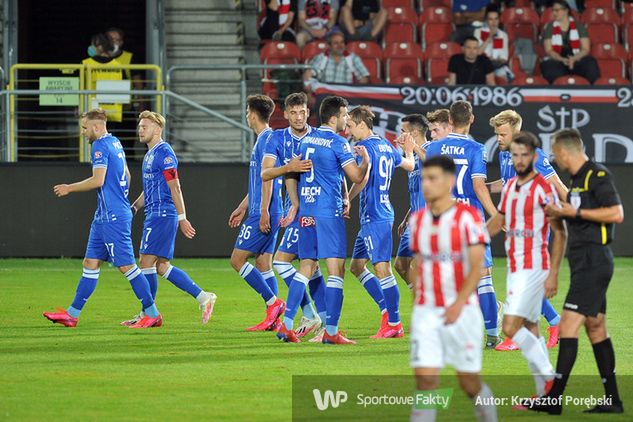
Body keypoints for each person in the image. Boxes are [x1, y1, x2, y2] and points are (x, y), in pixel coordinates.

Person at [525, 128, 624, 415]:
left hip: (594, 261)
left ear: (566, 152)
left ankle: (553, 399)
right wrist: (560, 211)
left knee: (568, 326)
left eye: (556, 156)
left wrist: (573, 213)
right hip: (584, 261)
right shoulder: (577, 180)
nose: (556, 161)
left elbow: (616, 213)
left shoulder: (598, 175)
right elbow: (577, 213)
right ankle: (613, 401)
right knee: (596, 328)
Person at [43, 109, 161, 329]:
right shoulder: (115, 142)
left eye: (85, 128)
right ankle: (72, 314)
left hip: (112, 217)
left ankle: (152, 313)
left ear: (96, 127)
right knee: (90, 263)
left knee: (127, 266)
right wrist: (120, 198)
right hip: (104, 216)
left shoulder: (99, 145)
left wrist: (69, 188)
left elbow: (98, 180)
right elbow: (126, 174)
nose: (83, 133)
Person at [409, 155, 497, 422]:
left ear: (449, 181)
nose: (426, 184)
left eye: (432, 178)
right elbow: (419, 266)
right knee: (426, 380)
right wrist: (417, 308)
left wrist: (458, 304)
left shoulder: (468, 217)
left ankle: (488, 412)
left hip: (462, 312)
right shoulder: (418, 220)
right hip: (427, 312)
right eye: (423, 178)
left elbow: (476, 266)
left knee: (468, 383)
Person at [276, 95, 369, 344]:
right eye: (345, 114)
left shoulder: (305, 140)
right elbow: (357, 177)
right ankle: (331, 332)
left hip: (307, 212)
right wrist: (366, 161)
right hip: (328, 214)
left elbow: (290, 175)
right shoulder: (338, 143)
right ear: (333, 117)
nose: (347, 119)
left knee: (306, 266)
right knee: (336, 271)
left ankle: (286, 325)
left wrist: (296, 204)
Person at [118, 111, 217, 327]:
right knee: (161, 266)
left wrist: (183, 217)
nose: (140, 130)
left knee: (145, 261)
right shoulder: (150, 154)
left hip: (163, 213)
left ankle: (149, 314)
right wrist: (135, 206)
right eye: (140, 126)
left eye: (145, 126)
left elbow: (175, 186)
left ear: (157, 128)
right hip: (153, 213)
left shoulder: (165, 153)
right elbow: (149, 188)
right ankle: (203, 297)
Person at [486, 132, 567, 397]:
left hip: (535, 263)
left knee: (511, 326)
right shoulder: (510, 187)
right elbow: (498, 221)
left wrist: (553, 273)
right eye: (515, 155)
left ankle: (550, 380)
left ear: (533, 157)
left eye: (524, 155)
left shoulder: (542, 189)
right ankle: (544, 391)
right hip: (516, 261)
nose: (519, 160)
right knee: (532, 328)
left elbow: (560, 231)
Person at [425, 101, 502, 348]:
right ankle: (491, 334)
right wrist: (496, 214)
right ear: (471, 119)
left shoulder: (434, 147)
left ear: (449, 121)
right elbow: (479, 186)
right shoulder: (476, 148)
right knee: (483, 276)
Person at [347, 106, 415, 339]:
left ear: (362, 125)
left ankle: (394, 322)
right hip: (380, 213)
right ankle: (387, 310)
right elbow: (410, 165)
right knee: (356, 266)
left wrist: (347, 197)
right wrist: (409, 151)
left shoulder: (363, 148)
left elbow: (362, 178)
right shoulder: (386, 145)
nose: (348, 129)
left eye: (350, 125)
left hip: (375, 215)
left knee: (382, 267)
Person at [261, 92, 325, 338]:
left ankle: (314, 317)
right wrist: (289, 167)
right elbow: (265, 174)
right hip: (297, 210)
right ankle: (320, 319)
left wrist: (342, 197)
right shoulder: (276, 139)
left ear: (308, 113)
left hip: (314, 210)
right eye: (293, 113)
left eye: (303, 112)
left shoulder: (319, 137)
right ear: (285, 114)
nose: (298, 117)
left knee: (284, 262)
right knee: (312, 266)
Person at [228, 94, 286, 331]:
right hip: (263, 208)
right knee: (263, 263)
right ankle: (274, 319)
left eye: (246, 111)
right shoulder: (265, 139)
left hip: (265, 211)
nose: (246, 115)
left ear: (252, 113)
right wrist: (242, 207)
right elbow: (257, 181)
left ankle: (274, 304)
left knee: (237, 260)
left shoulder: (266, 139)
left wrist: (262, 212)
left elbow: (268, 179)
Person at [394, 114, 430, 293]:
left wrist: (413, 147)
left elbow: (433, 162)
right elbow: (417, 192)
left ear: (414, 132)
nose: (400, 135)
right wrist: (406, 218)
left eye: (403, 131)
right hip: (414, 221)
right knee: (401, 265)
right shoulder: (411, 158)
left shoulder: (432, 148)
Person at [540, 0, 600, 84]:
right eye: (553, 10)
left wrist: (573, 59)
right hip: (558, 60)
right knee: (548, 66)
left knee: (590, 63)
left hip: (577, 59)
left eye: (557, 10)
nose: (554, 13)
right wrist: (562, 59)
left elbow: (585, 49)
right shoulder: (549, 27)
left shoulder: (579, 26)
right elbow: (549, 50)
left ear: (565, 11)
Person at [304, 30, 369, 90]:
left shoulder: (353, 58)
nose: (340, 46)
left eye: (342, 42)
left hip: (346, 95)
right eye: (336, 43)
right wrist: (310, 93)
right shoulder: (321, 58)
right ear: (329, 46)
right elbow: (307, 76)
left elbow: (364, 79)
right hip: (325, 95)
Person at [82, 33, 124, 123]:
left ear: (101, 47)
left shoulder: (86, 64)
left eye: (93, 45)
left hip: (92, 111)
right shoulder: (118, 65)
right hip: (113, 112)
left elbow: (81, 88)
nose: (91, 47)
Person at [473, 6, 512, 83]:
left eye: (496, 19)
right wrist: (489, 37)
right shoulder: (478, 32)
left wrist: (496, 61)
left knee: (502, 76)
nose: (493, 22)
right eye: (491, 19)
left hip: (497, 66)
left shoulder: (503, 35)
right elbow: (477, 53)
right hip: (481, 66)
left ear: (499, 20)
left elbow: (504, 58)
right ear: (486, 21)